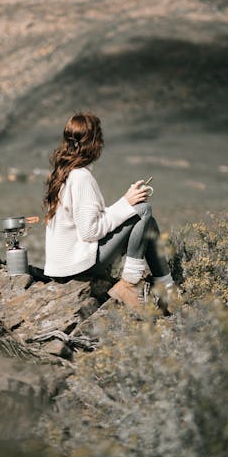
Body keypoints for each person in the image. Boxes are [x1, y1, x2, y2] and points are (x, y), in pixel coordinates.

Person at [43, 112, 176, 311]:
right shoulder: (81, 177)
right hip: (78, 265)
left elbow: (87, 219)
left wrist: (126, 203)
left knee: (146, 221)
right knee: (143, 210)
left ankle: (167, 289)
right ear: (95, 143)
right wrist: (126, 203)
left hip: (62, 266)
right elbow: (89, 232)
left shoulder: (65, 174)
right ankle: (130, 285)